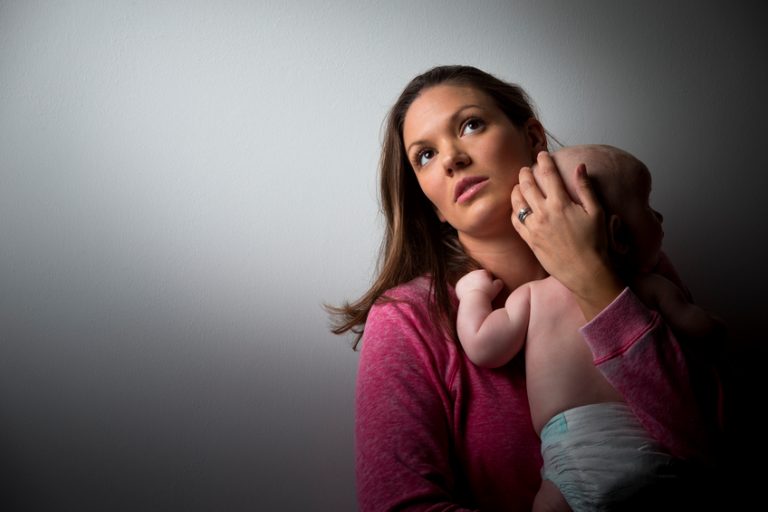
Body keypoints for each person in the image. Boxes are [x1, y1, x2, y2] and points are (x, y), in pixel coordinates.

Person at [328, 65, 722, 511]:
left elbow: (708, 449)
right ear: (431, 204)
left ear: (534, 138)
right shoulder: (407, 319)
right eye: (425, 156)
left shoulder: (631, 263)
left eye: (471, 124)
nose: (452, 158)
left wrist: (594, 281)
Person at [455, 144, 723, 511]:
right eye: (648, 206)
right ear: (618, 233)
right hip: (652, 454)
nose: (659, 216)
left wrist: (472, 296)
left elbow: (483, 346)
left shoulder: (532, 297)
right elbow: (703, 331)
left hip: (573, 458)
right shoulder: (651, 288)